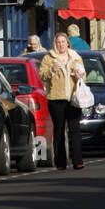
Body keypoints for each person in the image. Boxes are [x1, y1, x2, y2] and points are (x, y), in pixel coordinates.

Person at [40, 32, 87, 170]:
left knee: (74, 129)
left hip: (73, 98)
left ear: (67, 43)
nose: (61, 44)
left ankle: (78, 161)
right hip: (56, 99)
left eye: (63, 42)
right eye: (58, 42)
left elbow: (83, 75)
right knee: (59, 130)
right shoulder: (49, 58)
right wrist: (51, 70)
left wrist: (80, 76)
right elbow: (42, 74)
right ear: (55, 44)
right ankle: (60, 162)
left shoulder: (75, 57)